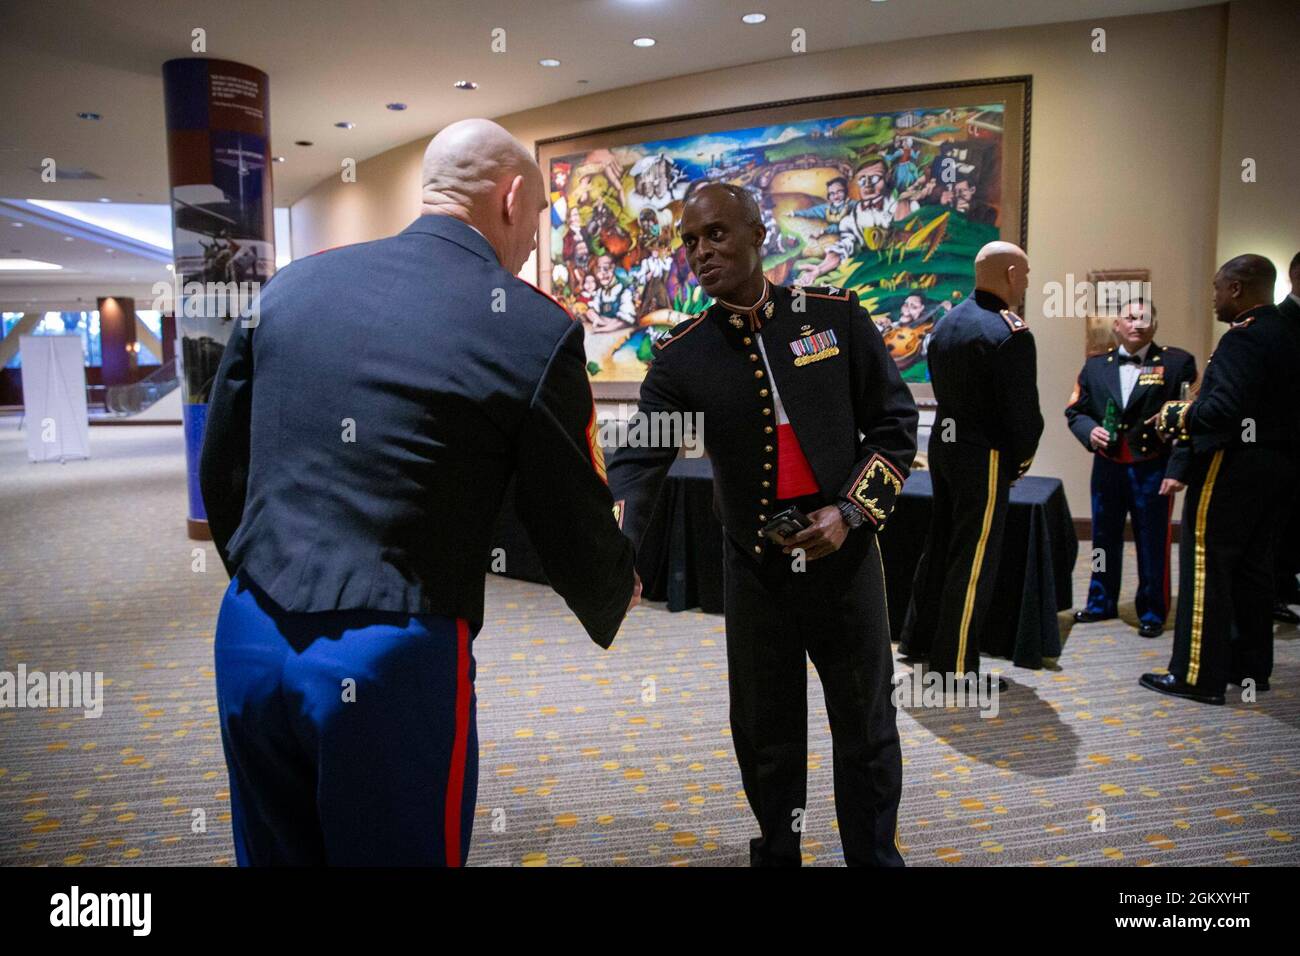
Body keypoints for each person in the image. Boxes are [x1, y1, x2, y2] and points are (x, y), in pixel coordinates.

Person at [200, 118, 640, 865]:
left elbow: (226, 459)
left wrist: (255, 565)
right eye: (536, 219)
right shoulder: (533, 328)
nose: (533, 241)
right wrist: (613, 583)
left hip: (246, 633)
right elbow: (566, 502)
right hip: (388, 658)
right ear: (509, 198)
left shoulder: (293, 286)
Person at [608, 183, 918, 867]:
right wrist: (615, 550)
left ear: (758, 233)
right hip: (755, 567)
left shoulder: (834, 316)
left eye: (716, 234)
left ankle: (874, 857)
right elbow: (638, 459)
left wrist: (850, 511)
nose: (701, 252)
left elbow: (896, 427)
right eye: (690, 242)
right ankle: (778, 853)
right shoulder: (681, 354)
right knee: (765, 731)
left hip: (845, 556)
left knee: (866, 724)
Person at [1143, 254, 1300, 704]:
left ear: (1236, 289)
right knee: (1255, 570)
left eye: (1217, 288)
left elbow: (1222, 410)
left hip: (1232, 469)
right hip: (1280, 471)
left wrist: (1173, 414)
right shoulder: (1289, 333)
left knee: (1205, 567)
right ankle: (1249, 669)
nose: (1212, 297)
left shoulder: (1243, 339)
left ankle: (1197, 675)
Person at [899, 241, 1044, 688]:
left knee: (941, 544)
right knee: (974, 556)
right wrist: (1022, 457)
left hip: (945, 446)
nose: (1028, 283)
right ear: (1013, 274)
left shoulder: (946, 323)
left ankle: (918, 640)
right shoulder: (1010, 333)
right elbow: (1022, 415)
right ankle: (956, 667)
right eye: (1027, 274)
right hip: (985, 453)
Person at [1066, 299, 1197, 637]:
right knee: (1101, 539)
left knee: (1153, 541)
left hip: (1153, 467)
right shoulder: (1095, 367)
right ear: (1116, 326)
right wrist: (1088, 430)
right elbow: (1075, 411)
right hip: (1107, 466)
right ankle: (1100, 601)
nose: (1137, 324)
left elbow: (1188, 420)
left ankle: (1153, 609)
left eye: (1145, 318)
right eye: (1130, 318)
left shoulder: (1177, 363)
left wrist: (1178, 469)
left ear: (1154, 324)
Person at [1273, 251, 1300, 624]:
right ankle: (1275, 587)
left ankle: (1288, 578)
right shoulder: (1279, 320)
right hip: (1282, 438)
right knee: (1280, 517)